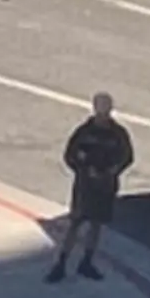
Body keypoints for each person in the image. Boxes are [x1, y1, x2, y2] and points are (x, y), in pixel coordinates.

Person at [48, 93, 134, 283]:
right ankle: (61, 263)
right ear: (95, 108)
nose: (104, 113)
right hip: (85, 186)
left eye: (106, 109)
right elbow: (70, 155)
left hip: (105, 186)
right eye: (101, 109)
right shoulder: (84, 133)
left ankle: (87, 261)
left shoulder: (118, 134)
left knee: (96, 224)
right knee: (75, 223)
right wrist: (84, 170)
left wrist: (113, 170)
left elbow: (127, 157)